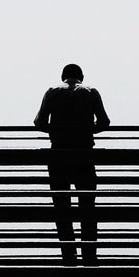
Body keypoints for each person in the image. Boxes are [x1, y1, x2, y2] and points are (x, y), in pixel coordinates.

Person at [34, 63, 111, 264]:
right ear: (81, 77)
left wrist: (58, 130)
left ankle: (69, 257)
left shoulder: (52, 92)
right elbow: (104, 122)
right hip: (85, 154)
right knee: (87, 206)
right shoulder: (91, 92)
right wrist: (85, 131)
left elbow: (39, 122)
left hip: (58, 154)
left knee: (62, 208)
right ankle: (89, 257)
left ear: (63, 76)